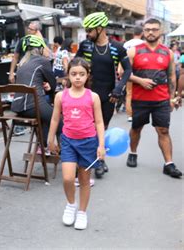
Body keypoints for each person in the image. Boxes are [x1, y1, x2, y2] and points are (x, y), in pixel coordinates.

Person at [48, 57, 105, 230]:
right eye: (74, 74)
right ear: (68, 76)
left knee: (85, 180)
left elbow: (99, 122)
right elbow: (55, 118)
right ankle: (71, 204)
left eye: (82, 74)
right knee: (67, 178)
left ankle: (82, 212)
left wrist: (101, 145)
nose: (78, 77)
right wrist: (50, 139)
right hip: (68, 142)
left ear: (88, 76)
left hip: (88, 142)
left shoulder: (93, 97)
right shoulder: (60, 96)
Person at [76, 12, 131, 179]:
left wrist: (119, 89)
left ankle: (99, 159)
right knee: (88, 129)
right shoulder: (85, 45)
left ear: (100, 29)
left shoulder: (117, 47)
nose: (88, 33)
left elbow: (128, 70)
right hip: (87, 95)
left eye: (90, 30)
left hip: (108, 96)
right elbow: (74, 64)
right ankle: (96, 161)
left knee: (102, 129)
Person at [125, 18, 181, 178]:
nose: (150, 32)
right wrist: (140, 80)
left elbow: (171, 76)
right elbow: (123, 73)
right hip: (140, 99)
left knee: (163, 130)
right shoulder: (134, 51)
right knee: (136, 128)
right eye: (147, 29)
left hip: (161, 100)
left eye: (154, 29)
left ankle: (168, 164)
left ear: (160, 31)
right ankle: (133, 152)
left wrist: (172, 97)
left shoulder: (168, 53)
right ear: (143, 31)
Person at [10, 35, 60, 150]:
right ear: (40, 49)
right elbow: (52, 84)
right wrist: (49, 89)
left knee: (46, 116)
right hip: (33, 106)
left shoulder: (22, 64)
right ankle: (64, 152)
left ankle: (43, 147)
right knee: (59, 119)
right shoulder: (43, 61)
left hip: (18, 107)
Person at [123, 26, 144, 122]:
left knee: (129, 93)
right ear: (142, 34)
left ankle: (130, 115)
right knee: (141, 92)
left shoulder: (127, 44)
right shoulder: (144, 44)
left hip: (128, 71)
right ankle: (141, 112)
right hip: (141, 72)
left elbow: (122, 58)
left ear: (133, 34)